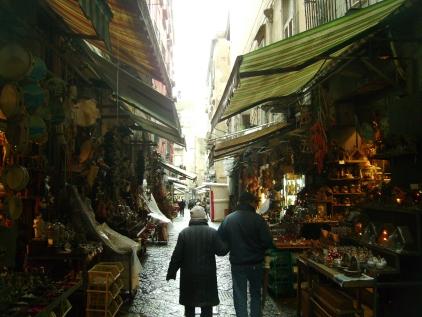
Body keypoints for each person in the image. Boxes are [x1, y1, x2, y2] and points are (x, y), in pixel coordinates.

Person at [218, 191, 273, 317]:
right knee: (255, 295)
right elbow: (268, 241)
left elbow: (219, 240)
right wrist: (259, 248)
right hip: (256, 264)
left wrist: (230, 244)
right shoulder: (258, 220)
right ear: (251, 203)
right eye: (255, 202)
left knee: (239, 296)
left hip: (238, 264)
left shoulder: (229, 219)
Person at [166, 206, 228, 317]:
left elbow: (177, 257)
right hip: (207, 276)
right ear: (204, 217)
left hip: (189, 276)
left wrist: (171, 272)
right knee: (207, 307)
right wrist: (229, 242)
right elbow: (221, 251)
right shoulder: (212, 233)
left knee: (189, 308)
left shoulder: (184, 234)